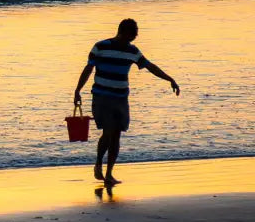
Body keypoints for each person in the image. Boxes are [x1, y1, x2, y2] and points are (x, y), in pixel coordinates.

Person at [73, 18, 180, 186]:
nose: (132, 39)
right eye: (130, 35)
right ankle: (99, 164)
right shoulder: (100, 47)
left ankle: (109, 173)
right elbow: (88, 68)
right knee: (108, 132)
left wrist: (170, 79)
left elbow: (150, 66)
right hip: (101, 96)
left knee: (116, 136)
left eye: (134, 36)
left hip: (121, 99)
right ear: (121, 32)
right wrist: (77, 90)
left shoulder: (132, 51)